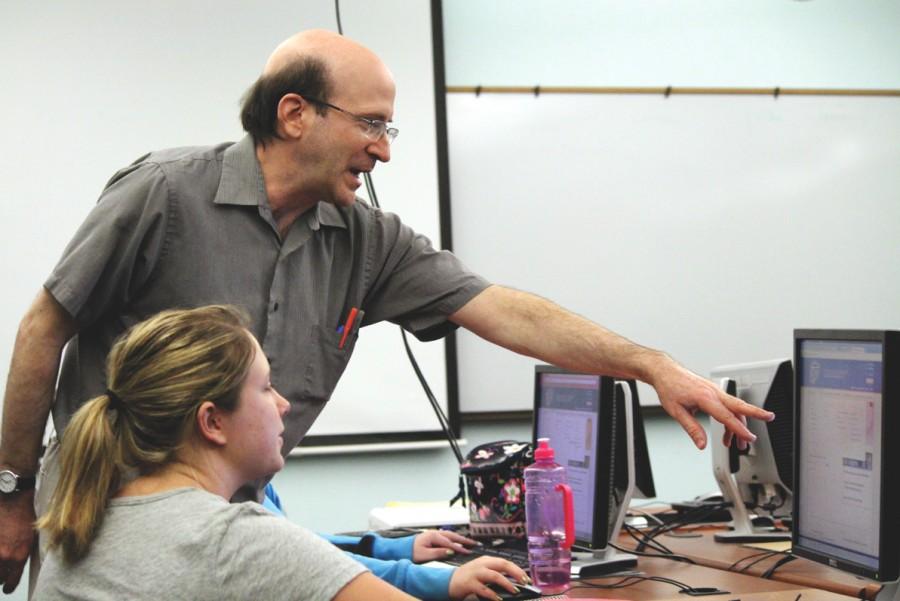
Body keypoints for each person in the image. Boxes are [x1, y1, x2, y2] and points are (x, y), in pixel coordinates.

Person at [0, 29, 772, 595]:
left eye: (389, 127)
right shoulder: (164, 193)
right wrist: (9, 495)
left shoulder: (367, 239)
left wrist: (649, 363)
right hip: (109, 517)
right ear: (296, 113)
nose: (385, 150)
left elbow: (499, 308)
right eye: (371, 124)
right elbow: (43, 329)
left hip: (232, 523)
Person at [32, 305, 528, 600]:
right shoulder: (231, 538)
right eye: (266, 388)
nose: (284, 405)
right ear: (212, 422)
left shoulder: (85, 516)